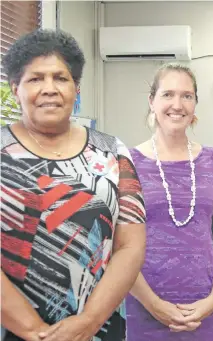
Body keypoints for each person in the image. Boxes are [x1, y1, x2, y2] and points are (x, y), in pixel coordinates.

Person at [1, 29, 146, 341]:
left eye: (60, 78)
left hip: (100, 328)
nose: (49, 89)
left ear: (76, 87)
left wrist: (88, 323)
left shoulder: (113, 152)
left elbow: (130, 245)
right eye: (35, 79)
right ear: (16, 88)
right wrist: (36, 332)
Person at [125, 63, 213, 340]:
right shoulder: (126, 163)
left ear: (195, 104)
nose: (177, 104)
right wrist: (154, 305)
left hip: (204, 302)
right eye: (168, 94)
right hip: (144, 300)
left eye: (187, 96)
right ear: (152, 101)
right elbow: (120, 246)